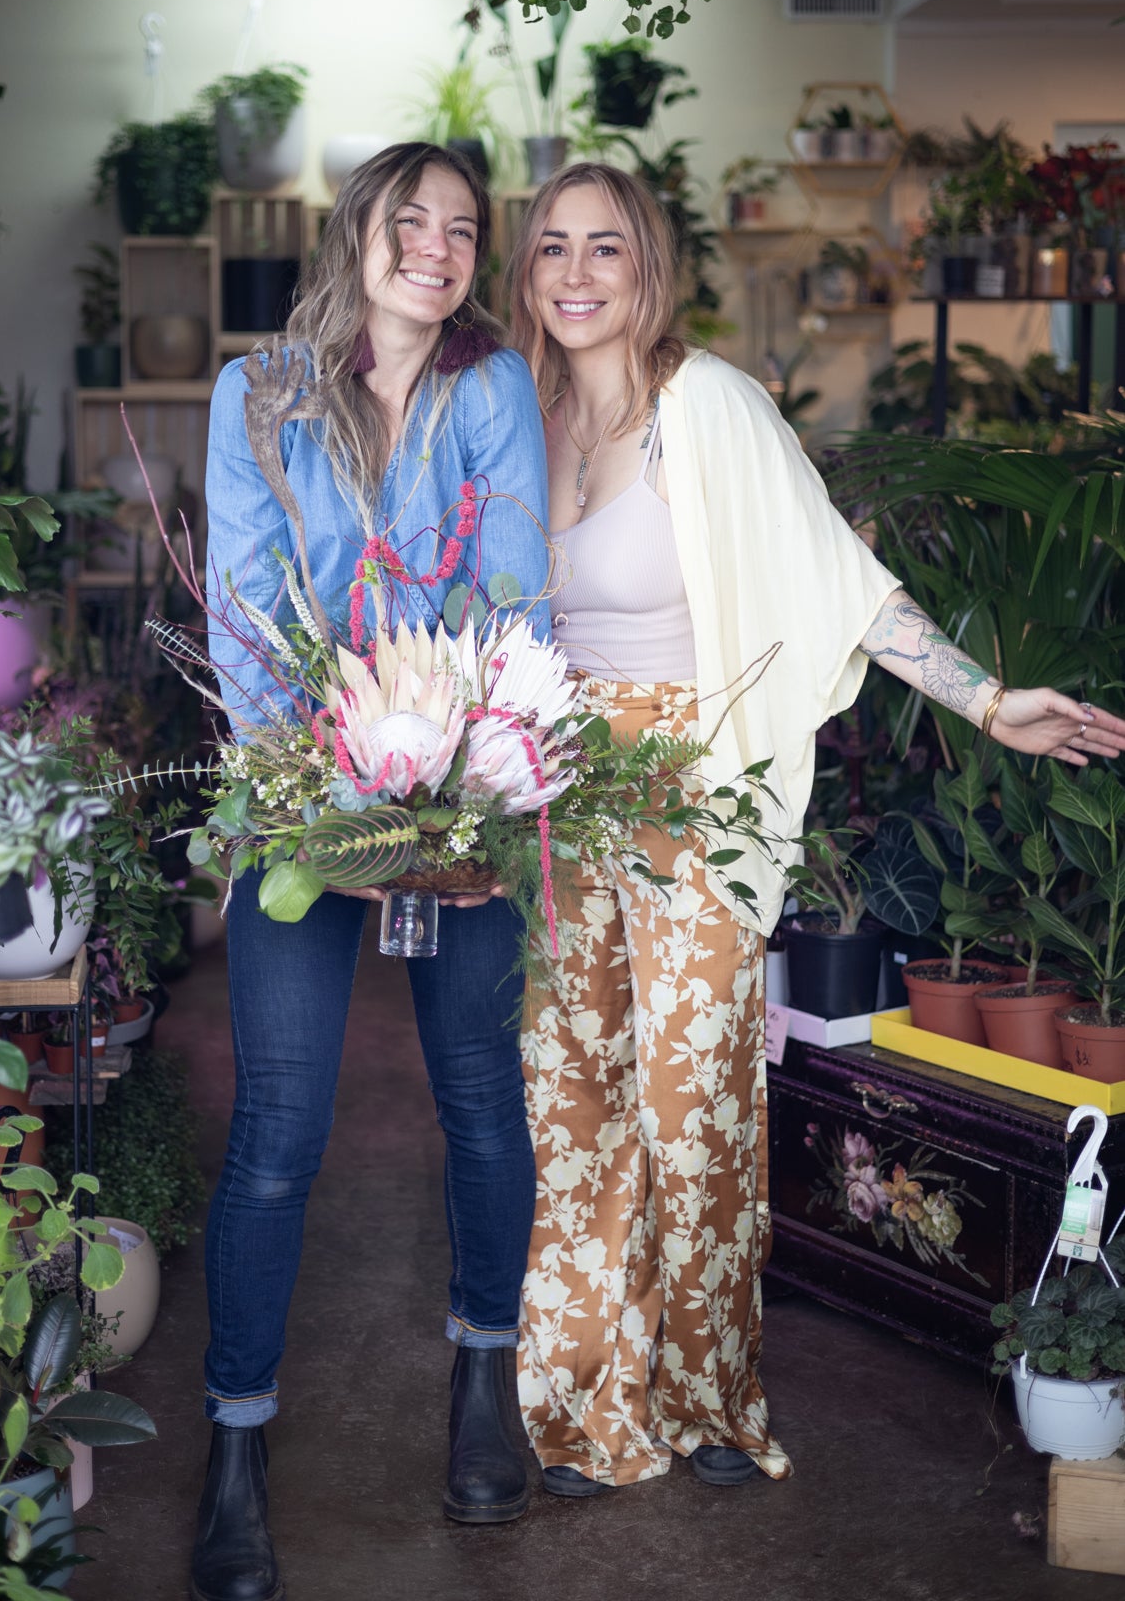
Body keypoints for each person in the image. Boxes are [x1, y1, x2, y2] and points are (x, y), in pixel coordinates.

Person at [502, 160, 1125, 1496]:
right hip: (552, 802)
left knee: (690, 1106)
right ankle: (578, 1398)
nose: (573, 274)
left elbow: (842, 582)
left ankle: (705, 1395)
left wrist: (985, 697)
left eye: (603, 248)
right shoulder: (522, 413)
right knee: (571, 1105)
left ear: (646, 267)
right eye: (550, 247)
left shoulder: (707, 408)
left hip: (690, 794)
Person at [192, 144, 550, 1601]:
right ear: (361, 232)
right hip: (299, 794)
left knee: (479, 1099)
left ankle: (484, 1380)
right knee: (277, 1127)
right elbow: (241, 612)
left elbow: (518, 594)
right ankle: (234, 1446)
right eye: (415, 220)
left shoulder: (495, 390)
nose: (442, 246)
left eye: (465, 228)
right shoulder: (259, 394)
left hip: (468, 786)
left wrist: (455, 805)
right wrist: (333, 806)